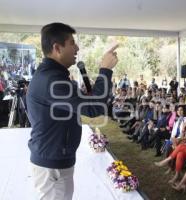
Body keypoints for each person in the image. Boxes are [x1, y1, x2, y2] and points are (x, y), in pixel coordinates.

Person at [26, 22, 118, 200]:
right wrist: (105, 70)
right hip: (52, 164)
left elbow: (87, 102)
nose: (76, 48)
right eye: (72, 43)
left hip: (55, 159)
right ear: (57, 48)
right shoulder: (51, 80)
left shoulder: (54, 75)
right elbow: (94, 108)